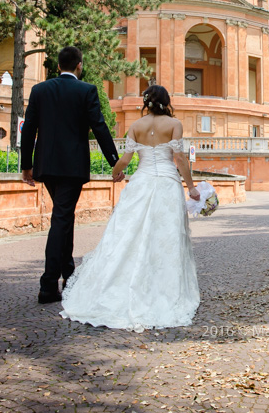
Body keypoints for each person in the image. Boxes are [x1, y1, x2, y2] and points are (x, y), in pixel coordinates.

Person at [59, 84, 201, 331]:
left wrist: (117, 173)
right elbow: (179, 159)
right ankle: (162, 289)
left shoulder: (135, 126)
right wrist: (191, 187)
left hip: (141, 183)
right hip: (166, 184)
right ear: (166, 101)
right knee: (165, 238)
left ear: (146, 102)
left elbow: (124, 160)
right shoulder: (174, 124)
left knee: (127, 236)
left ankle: (118, 286)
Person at [20, 46, 121, 305]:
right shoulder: (86, 90)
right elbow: (99, 125)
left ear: (57, 67)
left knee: (63, 216)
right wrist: (114, 161)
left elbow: (28, 129)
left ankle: (69, 275)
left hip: (46, 165)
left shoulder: (39, 90)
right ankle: (48, 284)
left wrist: (26, 165)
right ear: (80, 65)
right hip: (72, 167)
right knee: (62, 217)